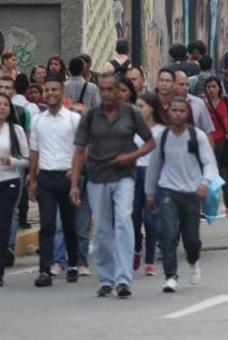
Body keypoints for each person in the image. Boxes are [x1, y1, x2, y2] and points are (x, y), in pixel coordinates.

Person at [70, 73, 156, 298]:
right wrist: (74, 183)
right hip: (98, 177)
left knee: (123, 222)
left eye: (111, 89)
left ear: (119, 91)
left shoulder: (131, 114)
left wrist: (131, 157)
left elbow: (150, 142)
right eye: (103, 89)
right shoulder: (90, 117)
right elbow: (80, 150)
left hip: (125, 176)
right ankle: (106, 278)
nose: (106, 93)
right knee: (102, 229)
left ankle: (123, 279)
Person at [145, 97, 217, 293]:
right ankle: (170, 276)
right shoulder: (163, 137)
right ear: (168, 113)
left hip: (192, 192)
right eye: (174, 110)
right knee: (168, 234)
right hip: (168, 190)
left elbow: (210, 163)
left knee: (191, 239)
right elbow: (154, 166)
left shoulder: (197, 136)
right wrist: (150, 194)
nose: (177, 114)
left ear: (188, 114)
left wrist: (204, 183)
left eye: (181, 111)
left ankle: (193, 261)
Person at [28, 75, 80, 287]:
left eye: (54, 90)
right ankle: (44, 270)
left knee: (69, 225)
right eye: (47, 90)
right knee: (47, 225)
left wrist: (75, 176)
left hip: (67, 177)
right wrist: (32, 180)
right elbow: (34, 151)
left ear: (62, 92)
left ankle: (74, 264)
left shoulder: (73, 119)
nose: (50, 94)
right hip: (46, 178)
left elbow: (81, 150)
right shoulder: (37, 120)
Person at [133, 92, 164, 276]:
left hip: (154, 177)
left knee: (151, 220)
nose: (138, 110)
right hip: (135, 174)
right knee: (134, 218)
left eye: (141, 106)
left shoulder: (162, 130)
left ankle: (150, 260)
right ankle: (137, 247)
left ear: (151, 108)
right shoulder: (132, 129)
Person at [0, 93, 28, 286]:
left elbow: (27, 160)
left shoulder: (15, 130)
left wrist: (12, 161)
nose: (1, 107)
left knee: (3, 225)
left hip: (10, 181)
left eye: (5, 105)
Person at [204, 77, 228, 216]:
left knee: (224, 175)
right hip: (208, 144)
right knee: (209, 176)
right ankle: (210, 206)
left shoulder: (226, 101)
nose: (211, 90)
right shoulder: (203, 104)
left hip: (224, 142)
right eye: (208, 87)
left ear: (219, 88)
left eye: (214, 86)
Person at [173, 71, 215, 137]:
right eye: (181, 84)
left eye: (187, 85)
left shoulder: (199, 103)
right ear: (173, 85)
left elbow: (208, 131)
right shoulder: (165, 104)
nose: (185, 88)